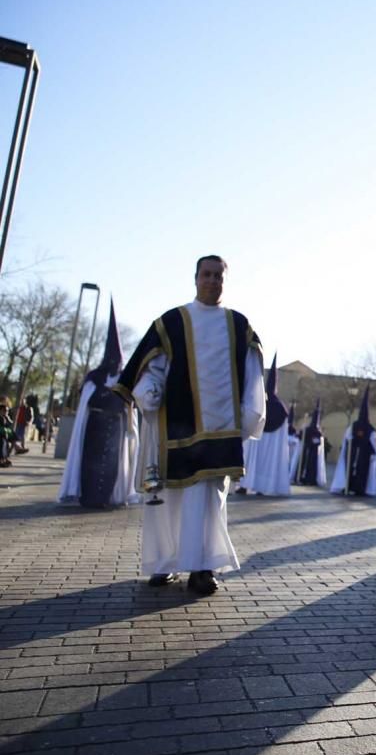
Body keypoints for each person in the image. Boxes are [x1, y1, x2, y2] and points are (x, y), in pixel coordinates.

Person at [113, 255, 265, 595]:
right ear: (195, 278)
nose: (212, 280)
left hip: (221, 433)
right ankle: (164, 565)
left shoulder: (239, 325)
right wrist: (148, 390)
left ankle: (203, 568)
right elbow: (151, 367)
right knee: (169, 501)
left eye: (218, 275)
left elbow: (254, 376)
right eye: (206, 274)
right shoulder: (172, 323)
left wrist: (249, 416)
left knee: (209, 505)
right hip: (175, 431)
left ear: (226, 280)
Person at [58, 300, 140, 508]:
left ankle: (106, 497)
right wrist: (105, 394)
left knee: (112, 462)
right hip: (95, 425)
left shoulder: (125, 377)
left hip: (116, 426)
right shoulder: (95, 377)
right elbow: (88, 400)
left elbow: (131, 402)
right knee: (91, 463)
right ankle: (90, 496)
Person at [240, 354, 291, 497]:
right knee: (264, 464)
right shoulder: (281, 408)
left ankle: (246, 485)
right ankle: (260, 487)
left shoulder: (261, 400)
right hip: (269, 442)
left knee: (252, 462)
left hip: (257, 438)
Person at [330, 387, 376, 496]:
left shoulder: (366, 429)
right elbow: (348, 439)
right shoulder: (358, 427)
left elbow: (372, 443)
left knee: (361, 471)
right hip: (353, 454)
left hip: (362, 455)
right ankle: (349, 486)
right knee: (351, 469)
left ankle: (359, 488)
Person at [295, 401, 327, 487]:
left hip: (313, 452)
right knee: (304, 463)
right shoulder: (308, 429)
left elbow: (319, 442)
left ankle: (309, 478)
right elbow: (301, 437)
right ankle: (302, 477)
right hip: (307, 450)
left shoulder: (317, 431)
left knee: (311, 465)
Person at [0, 398, 14, 467]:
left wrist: (8, 418)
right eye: (5, 411)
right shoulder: (1, 418)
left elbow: (11, 424)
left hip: (5, 436)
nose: (6, 412)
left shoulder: (5, 418)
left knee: (7, 445)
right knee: (2, 445)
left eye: (7, 411)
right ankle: (2, 460)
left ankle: (5, 459)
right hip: (1, 436)